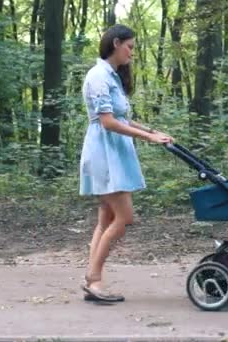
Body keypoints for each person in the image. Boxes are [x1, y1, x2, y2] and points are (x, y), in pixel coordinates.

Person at [79, 24, 173, 302]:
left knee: (106, 218)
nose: (132, 52)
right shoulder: (98, 76)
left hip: (113, 152)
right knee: (124, 218)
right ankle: (94, 281)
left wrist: (151, 131)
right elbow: (107, 122)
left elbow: (120, 118)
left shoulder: (112, 77)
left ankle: (91, 280)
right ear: (116, 43)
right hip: (105, 153)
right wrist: (146, 137)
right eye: (130, 47)